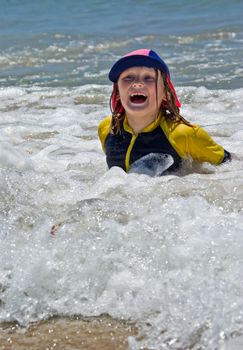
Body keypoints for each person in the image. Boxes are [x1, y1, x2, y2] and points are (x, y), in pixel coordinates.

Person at [98, 49, 231, 175]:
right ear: (117, 92)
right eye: (128, 78)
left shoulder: (183, 134)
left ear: (166, 94)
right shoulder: (108, 129)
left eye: (148, 78)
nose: (137, 83)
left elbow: (227, 163)